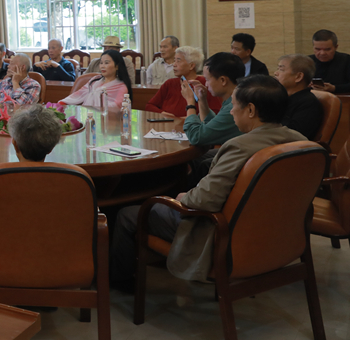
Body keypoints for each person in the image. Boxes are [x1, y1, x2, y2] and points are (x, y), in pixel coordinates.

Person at [110, 75, 306, 288]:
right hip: (275, 232)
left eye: (234, 106)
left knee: (127, 214)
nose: (231, 111)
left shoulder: (239, 147)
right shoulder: (301, 142)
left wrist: (183, 196)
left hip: (219, 233)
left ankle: (119, 281)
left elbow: (203, 200)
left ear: (250, 110)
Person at [181, 52, 244, 147]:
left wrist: (190, 103)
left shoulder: (235, 106)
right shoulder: (234, 98)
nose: (206, 84)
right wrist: (202, 100)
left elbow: (196, 137)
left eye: (207, 79)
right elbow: (213, 126)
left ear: (223, 80)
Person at [143, 46, 220, 118]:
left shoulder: (204, 84)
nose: (174, 65)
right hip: (167, 125)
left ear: (191, 66)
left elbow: (215, 112)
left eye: (178, 61)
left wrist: (191, 119)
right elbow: (149, 106)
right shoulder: (169, 83)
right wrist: (162, 113)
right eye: (174, 60)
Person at [275, 54, 325, 139]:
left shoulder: (309, 103)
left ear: (298, 77)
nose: (276, 73)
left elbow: (294, 135)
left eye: (281, 70)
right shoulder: (281, 97)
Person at [60, 50, 132, 109]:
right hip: (88, 115)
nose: (102, 66)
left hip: (107, 119)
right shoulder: (95, 79)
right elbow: (80, 93)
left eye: (106, 63)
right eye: (101, 63)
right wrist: (63, 102)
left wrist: (97, 108)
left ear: (117, 66)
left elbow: (116, 106)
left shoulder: (121, 86)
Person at [311, 29, 350, 93]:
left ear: (336, 47)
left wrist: (334, 88)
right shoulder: (307, 62)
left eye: (327, 49)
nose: (322, 53)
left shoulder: (347, 60)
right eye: (317, 49)